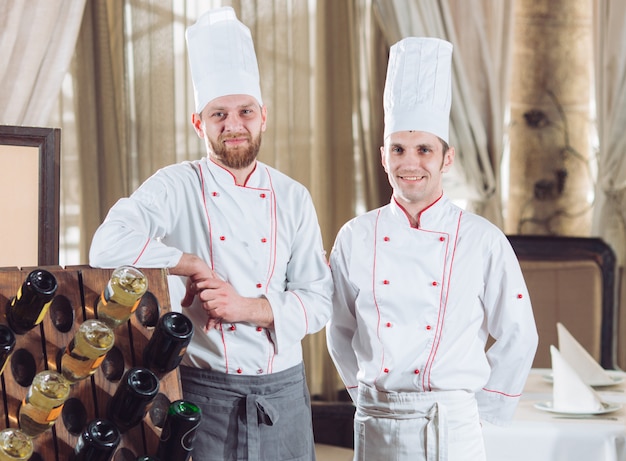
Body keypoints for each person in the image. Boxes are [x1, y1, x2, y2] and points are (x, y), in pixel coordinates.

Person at [89, 7, 332, 460]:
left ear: (264, 116)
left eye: (245, 111)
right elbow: (106, 245)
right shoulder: (175, 184)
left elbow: (318, 300)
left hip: (283, 396)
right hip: (203, 394)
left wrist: (247, 307)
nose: (233, 125)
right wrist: (190, 264)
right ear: (199, 122)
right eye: (218, 114)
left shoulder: (293, 196)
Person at [326, 37, 538, 461]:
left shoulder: (481, 238)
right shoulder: (355, 235)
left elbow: (519, 333)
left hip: (452, 425)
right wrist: (363, 395)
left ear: (447, 158)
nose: (410, 163)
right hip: (375, 421)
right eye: (399, 150)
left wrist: (478, 412)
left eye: (424, 149)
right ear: (383, 157)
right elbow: (339, 329)